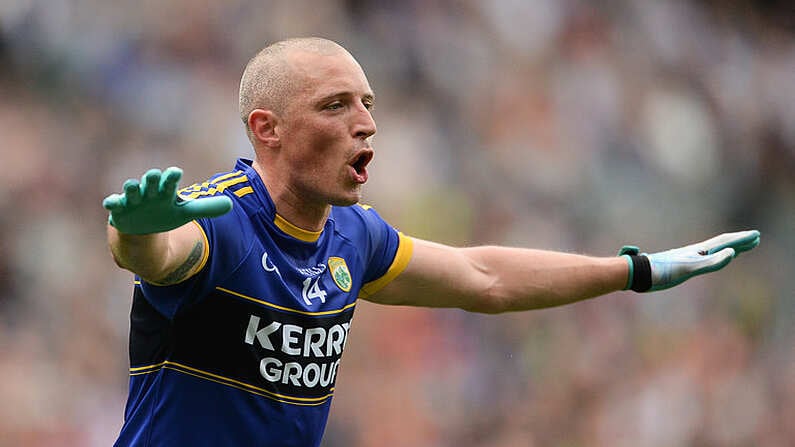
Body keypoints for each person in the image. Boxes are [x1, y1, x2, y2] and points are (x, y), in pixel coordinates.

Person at [102, 37, 760, 447]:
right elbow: (159, 254)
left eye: (367, 103)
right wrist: (134, 232)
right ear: (266, 128)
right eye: (336, 106)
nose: (367, 124)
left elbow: (484, 277)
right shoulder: (220, 219)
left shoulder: (353, 236)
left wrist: (634, 270)